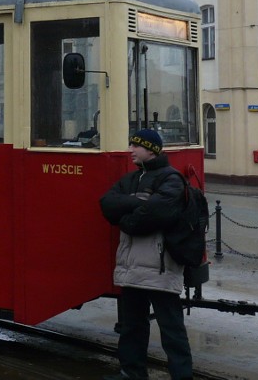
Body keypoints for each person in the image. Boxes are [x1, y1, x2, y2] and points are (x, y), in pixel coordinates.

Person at [99, 129, 193, 380]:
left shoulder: (171, 178)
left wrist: (127, 219)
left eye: (135, 146)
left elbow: (157, 213)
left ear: (151, 149)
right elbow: (107, 204)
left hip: (160, 266)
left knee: (171, 330)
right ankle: (132, 373)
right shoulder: (132, 179)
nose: (130, 150)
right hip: (132, 266)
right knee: (132, 327)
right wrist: (137, 201)